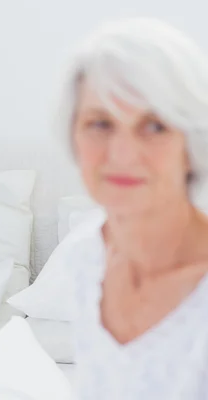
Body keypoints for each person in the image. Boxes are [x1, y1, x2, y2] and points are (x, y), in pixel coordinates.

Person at [57, 18, 208, 399]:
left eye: (154, 126)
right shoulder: (84, 257)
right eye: (100, 123)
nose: (122, 155)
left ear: (191, 144)